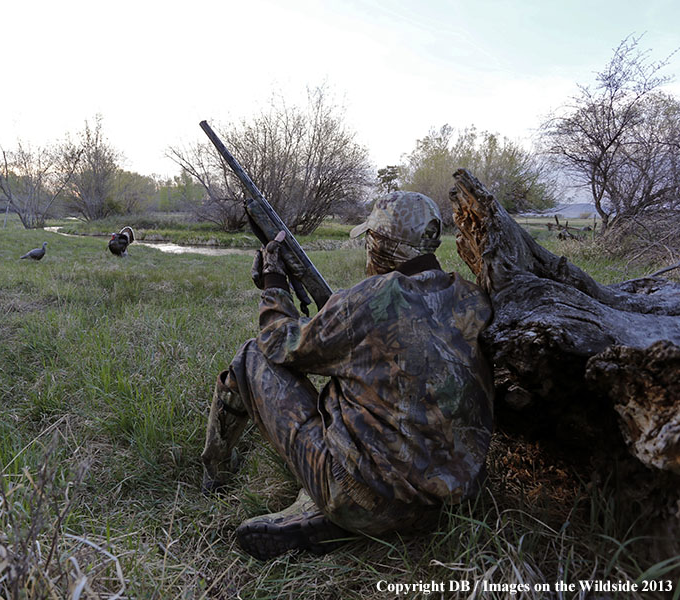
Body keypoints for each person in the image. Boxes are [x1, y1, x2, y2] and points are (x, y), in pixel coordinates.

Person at [200, 191, 495, 561]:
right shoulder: (472, 299)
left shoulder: (370, 298)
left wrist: (274, 285)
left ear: (380, 244)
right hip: (454, 500)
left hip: (366, 499)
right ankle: (317, 515)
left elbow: (277, 343)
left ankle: (215, 470)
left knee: (251, 355)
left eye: (370, 240)